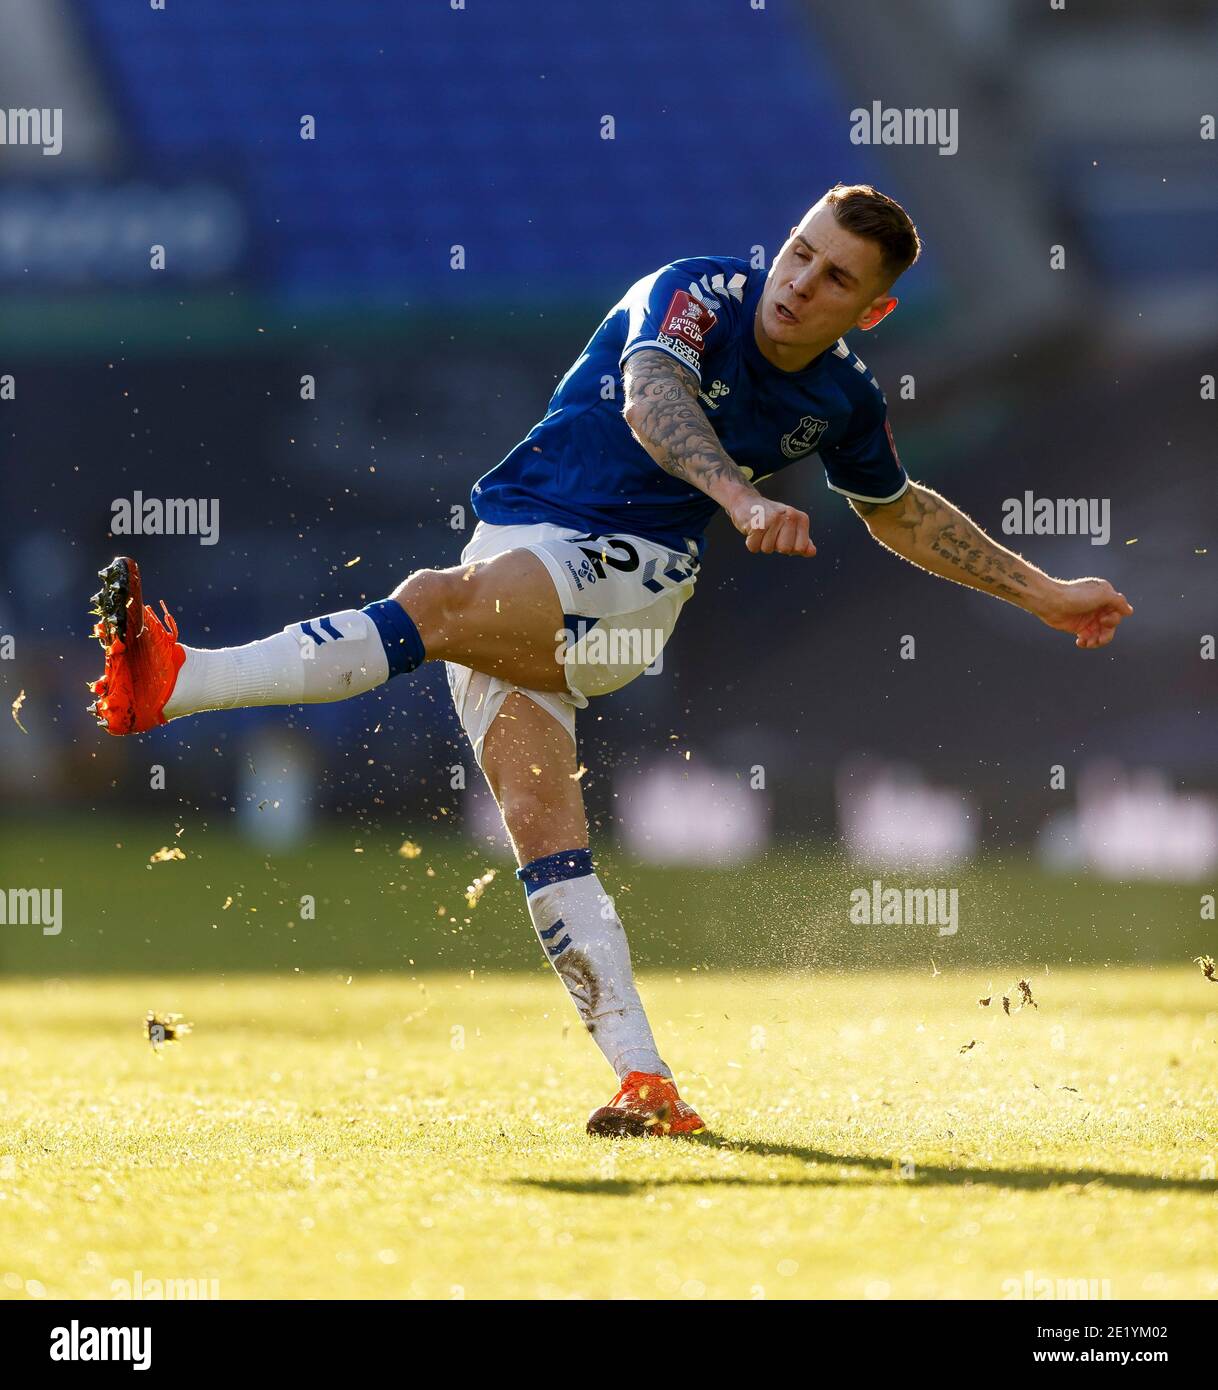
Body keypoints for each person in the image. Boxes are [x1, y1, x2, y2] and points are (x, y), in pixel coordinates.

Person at [87, 183, 1132, 1138]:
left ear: (872, 312)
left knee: (430, 607)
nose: (801, 282)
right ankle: (648, 1081)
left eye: (835, 279)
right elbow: (652, 400)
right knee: (547, 843)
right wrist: (745, 495)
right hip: (520, 553)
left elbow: (897, 509)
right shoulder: (693, 297)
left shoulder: (844, 400)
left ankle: (178, 683)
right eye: (801, 254)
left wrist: (1043, 591)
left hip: (629, 583)